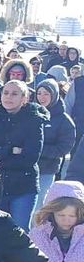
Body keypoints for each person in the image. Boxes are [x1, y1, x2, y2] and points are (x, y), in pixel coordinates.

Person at [0, 80, 48, 229]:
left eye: (14, 94)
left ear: (24, 98)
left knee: (19, 230)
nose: (8, 97)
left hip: (23, 186)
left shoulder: (34, 119)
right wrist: (11, 150)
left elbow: (30, 157)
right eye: (5, 93)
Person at [36, 81, 77, 209]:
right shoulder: (32, 114)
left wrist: (38, 150)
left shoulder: (64, 120)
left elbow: (64, 147)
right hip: (25, 167)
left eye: (46, 94)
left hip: (47, 169)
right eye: (39, 93)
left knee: (39, 203)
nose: (42, 97)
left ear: (54, 95)